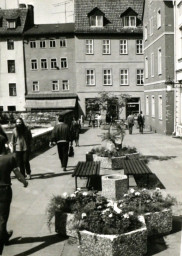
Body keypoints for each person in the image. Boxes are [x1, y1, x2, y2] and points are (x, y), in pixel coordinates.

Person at [0, 137, 28, 255]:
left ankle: (5, 236)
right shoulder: (9, 158)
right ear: (4, 145)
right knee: (2, 218)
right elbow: (17, 174)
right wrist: (24, 182)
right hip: (4, 190)